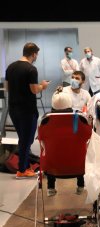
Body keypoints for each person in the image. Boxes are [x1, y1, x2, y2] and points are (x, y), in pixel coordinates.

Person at [5, 42, 50, 179]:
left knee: (23, 138)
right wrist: (43, 85)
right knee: (27, 140)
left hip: (13, 108)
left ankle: (23, 164)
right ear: (34, 54)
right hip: (27, 110)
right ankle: (22, 170)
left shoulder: (10, 67)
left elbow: (7, 88)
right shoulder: (31, 69)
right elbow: (34, 90)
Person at [45, 90, 86, 196]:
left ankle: (50, 187)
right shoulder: (80, 119)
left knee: (51, 152)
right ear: (70, 103)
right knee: (79, 152)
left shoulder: (46, 120)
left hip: (53, 167)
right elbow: (88, 136)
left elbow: (41, 139)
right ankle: (81, 186)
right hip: (77, 166)